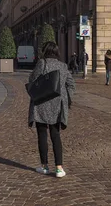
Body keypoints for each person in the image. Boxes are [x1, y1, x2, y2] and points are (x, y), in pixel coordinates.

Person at [28, 41, 75, 178]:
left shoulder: (42, 63)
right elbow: (71, 85)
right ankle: (59, 168)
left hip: (42, 103)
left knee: (42, 134)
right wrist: (66, 99)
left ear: (45, 51)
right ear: (57, 52)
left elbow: (32, 79)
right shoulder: (63, 66)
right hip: (57, 104)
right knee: (56, 135)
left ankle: (44, 166)